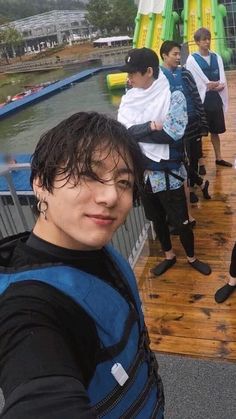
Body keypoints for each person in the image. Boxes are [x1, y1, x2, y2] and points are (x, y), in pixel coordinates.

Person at [0, 112, 165, 419]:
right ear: (40, 183)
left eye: (124, 182)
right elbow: (39, 396)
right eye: (89, 174)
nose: (111, 195)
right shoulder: (27, 308)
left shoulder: (98, 252)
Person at [118, 47, 211, 277]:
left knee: (181, 221)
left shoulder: (172, 95)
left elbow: (173, 133)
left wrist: (136, 131)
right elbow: (122, 131)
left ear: (148, 71)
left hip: (168, 173)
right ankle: (169, 255)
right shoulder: (130, 98)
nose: (128, 78)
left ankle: (192, 257)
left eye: (132, 73)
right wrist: (150, 126)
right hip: (144, 174)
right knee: (156, 219)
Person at [160, 40, 211, 205]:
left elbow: (196, 97)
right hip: (174, 127)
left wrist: (203, 122)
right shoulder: (159, 78)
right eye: (174, 54)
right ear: (164, 56)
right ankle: (196, 185)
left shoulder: (185, 74)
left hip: (192, 123)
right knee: (182, 158)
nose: (178, 57)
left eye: (178, 54)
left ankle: (193, 187)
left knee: (194, 157)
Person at [186, 27, 232, 168]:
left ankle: (219, 157)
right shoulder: (192, 60)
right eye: (204, 39)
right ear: (197, 42)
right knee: (199, 134)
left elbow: (222, 78)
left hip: (215, 99)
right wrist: (208, 85)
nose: (207, 42)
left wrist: (218, 85)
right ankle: (200, 163)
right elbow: (194, 81)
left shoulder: (216, 57)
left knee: (215, 131)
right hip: (201, 101)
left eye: (208, 39)